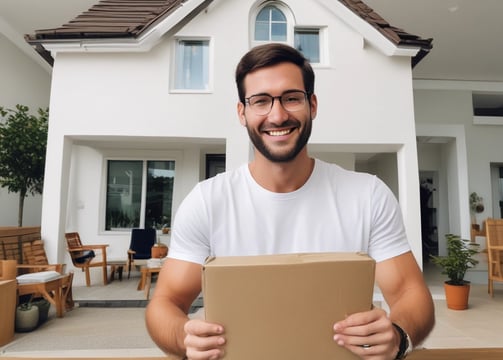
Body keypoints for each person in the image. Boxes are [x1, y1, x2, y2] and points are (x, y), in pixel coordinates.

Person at [146, 43, 435, 360]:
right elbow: (166, 302)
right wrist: (183, 337)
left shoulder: (368, 195)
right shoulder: (207, 201)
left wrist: (398, 335)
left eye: (291, 98)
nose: (277, 114)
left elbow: (412, 294)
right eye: (261, 101)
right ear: (242, 112)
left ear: (312, 104)